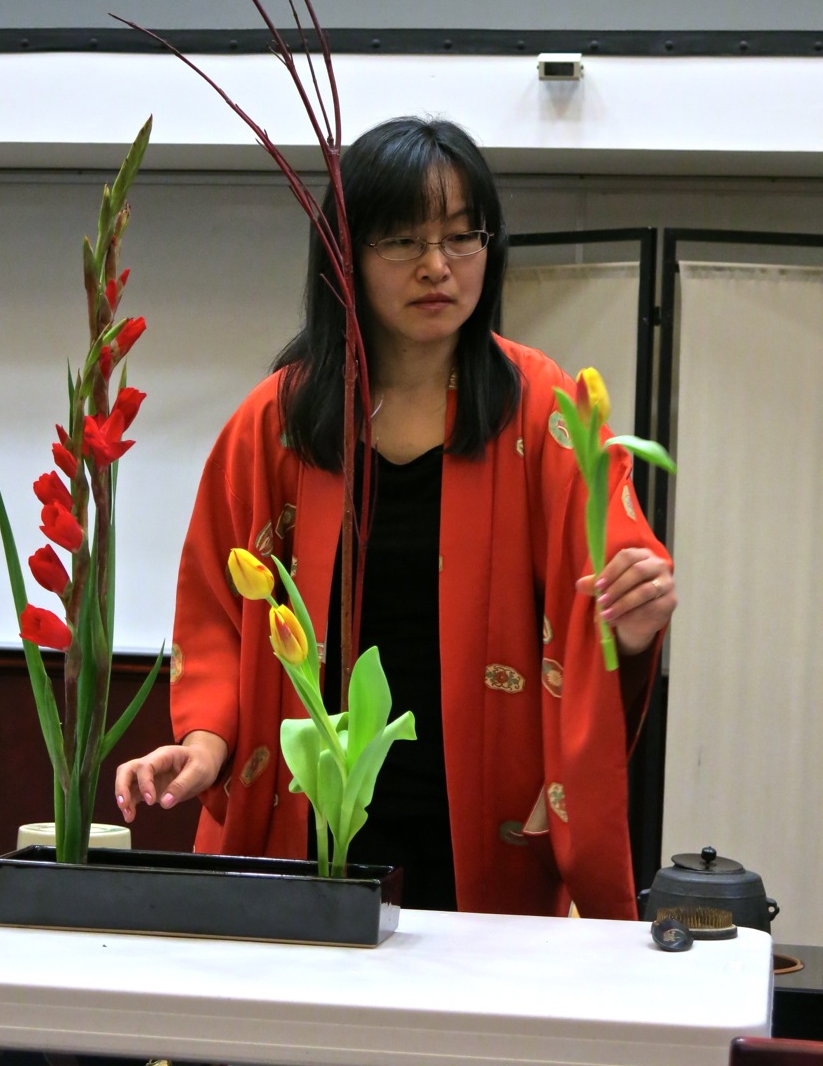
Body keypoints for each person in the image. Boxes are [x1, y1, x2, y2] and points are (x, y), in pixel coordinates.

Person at [114, 116, 676, 919]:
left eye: (461, 237)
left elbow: (609, 570)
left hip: (483, 823)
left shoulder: (540, 408)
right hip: (305, 819)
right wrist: (203, 743)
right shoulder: (276, 422)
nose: (437, 267)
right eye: (402, 241)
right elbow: (214, 609)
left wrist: (633, 615)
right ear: (346, 254)